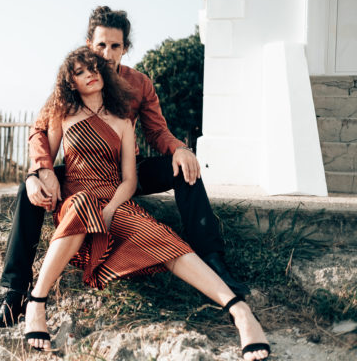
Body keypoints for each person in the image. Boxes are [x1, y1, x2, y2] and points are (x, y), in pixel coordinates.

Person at [0, 6, 249, 331]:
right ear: (89, 44)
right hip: (79, 171)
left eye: (115, 46)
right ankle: (15, 294)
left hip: (126, 171)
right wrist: (40, 170)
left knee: (184, 169)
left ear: (125, 47)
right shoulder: (72, 81)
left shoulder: (139, 84)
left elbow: (156, 131)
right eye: (101, 46)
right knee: (28, 191)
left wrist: (180, 150)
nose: (107, 54)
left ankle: (213, 261)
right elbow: (42, 129)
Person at [22, 47, 270, 360]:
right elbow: (44, 160)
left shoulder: (124, 121)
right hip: (76, 199)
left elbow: (129, 180)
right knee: (84, 202)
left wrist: (112, 208)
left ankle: (240, 311)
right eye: (81, 72)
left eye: (94, 68)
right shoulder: (62, 116)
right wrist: (35, 177)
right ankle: (37, 301)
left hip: (114, 199)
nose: (90, 74)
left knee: (164, 239)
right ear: (71, 83)